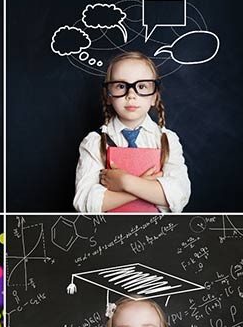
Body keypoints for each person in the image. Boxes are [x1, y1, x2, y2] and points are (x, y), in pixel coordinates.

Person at [73, 52, 190, 214]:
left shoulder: (167, 140)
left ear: (154, 97)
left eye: (142, 87)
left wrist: (125, 182)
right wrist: (145, 186)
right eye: (121, 86)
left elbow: (178, 197)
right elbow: (85, 203)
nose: (131, 95)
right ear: (108, 95)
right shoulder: (94, 142)